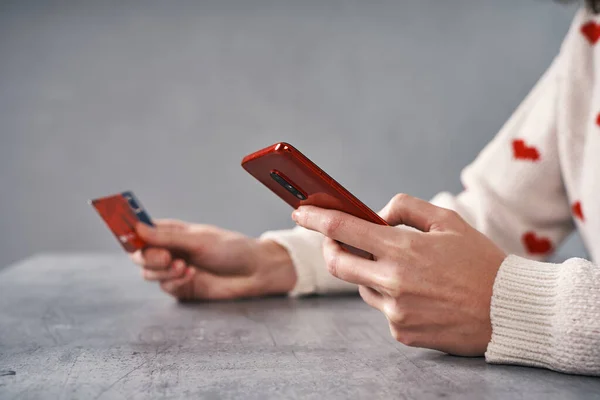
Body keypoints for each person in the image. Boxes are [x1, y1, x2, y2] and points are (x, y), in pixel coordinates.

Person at [132, 2, 600, 376]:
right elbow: (495, 218)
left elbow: (488, 271)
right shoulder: (591, 35)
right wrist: (277, 263)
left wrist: (516, 306)